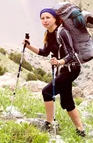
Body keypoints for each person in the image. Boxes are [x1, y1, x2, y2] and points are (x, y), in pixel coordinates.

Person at [24, 8, 86, 136]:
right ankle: (80, 130)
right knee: (66, 101)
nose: (45, 20)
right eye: (42, 18)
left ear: (55, 19)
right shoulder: (48, 34)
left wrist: (59, 62)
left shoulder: (62, 32)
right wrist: (29, 46)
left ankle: (49, 123)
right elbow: (45, 52)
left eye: (48, 18)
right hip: (63, 69)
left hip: (71, 69)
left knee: (46, 92)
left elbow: (72, 54)